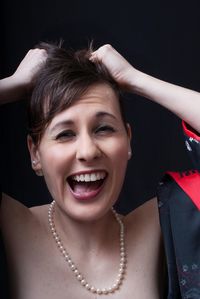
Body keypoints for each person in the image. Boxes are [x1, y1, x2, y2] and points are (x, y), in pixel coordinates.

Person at [0, 42, 199, 298]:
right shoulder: (11, 227)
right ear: (35, 153)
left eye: (103, 128)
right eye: (65, 134)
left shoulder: (166, 224)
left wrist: (136, 80)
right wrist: (13, 84)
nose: (87, 151)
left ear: (127, 140)